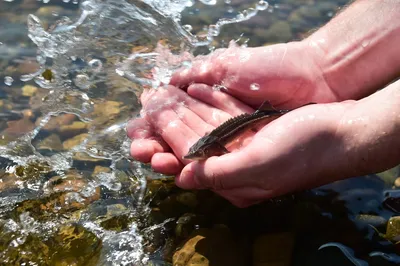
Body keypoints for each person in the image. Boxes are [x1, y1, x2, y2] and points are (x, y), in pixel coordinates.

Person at [127, 0, 400, 207]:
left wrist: (348, 135)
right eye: (197, 154)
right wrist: (320, 63)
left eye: (198, 154)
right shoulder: (211, 142)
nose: (194, 157)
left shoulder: (215, 144)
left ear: (210, 148)